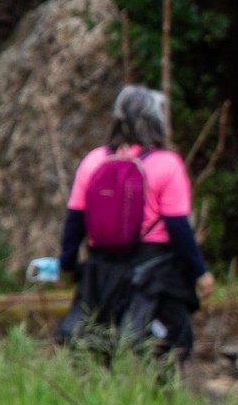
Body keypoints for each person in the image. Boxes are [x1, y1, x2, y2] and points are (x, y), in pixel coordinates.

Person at [55, 85, 215, 361]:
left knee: (95, 346)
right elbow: (178, 228)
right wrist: (199, 272)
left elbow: (75, 221)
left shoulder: (94, 161)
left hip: (101, 271)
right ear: (156, 121)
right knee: (170, 345)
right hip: (153, 272)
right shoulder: (167, 164)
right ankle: (160, 397)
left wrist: (67, 265)